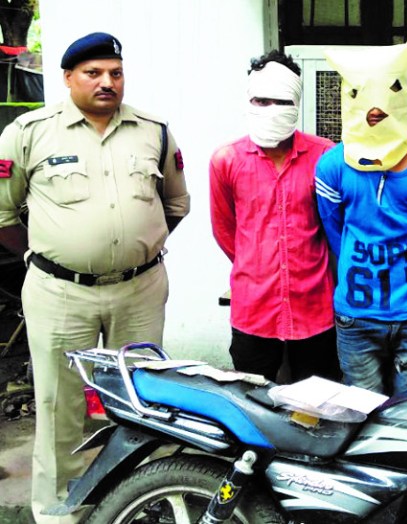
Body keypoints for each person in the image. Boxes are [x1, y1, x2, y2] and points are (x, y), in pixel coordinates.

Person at [0, 32, 190, 523]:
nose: (107, 82)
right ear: (68, 78)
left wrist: (131, 249)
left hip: (139, 290)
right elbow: (2, 216)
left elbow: (175, 204)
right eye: (93, 73)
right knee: (59, 405)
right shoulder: (29, 132)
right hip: (60, 293)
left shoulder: (154, 132)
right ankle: (58, 511)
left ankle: (138, 501)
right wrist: (55, 257)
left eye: (116, 73)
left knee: (139, 401)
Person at [315, 34, 407, 395]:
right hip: (357, 316)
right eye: (361, 93)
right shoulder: (331, 165)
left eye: (390, 90)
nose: (375, 107)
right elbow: (334, 231)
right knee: (361, 411)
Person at [210, 50, 340, 383]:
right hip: (254, 309)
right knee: (252, 398)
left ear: (296, 103)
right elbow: (225, 229)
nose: (270, 109)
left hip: (315, 307)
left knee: (316, 401)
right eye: (261, 101)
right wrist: (257, 265)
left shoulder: (325, 157)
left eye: (281, 102)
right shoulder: (226, 160)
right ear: (249, 100)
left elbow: (335, 227)